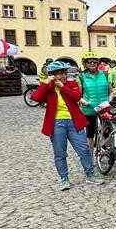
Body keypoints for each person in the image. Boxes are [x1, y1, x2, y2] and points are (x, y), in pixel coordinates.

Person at [30, 61, 105, 190]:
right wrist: (46, 83)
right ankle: (64, 178)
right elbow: (35, 98)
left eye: (64, 73)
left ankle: (90, 173)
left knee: (84, 149)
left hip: (74, 121)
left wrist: (62, 86)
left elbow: (76, 96)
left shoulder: (72, 84)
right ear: (53, 75)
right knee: (60, 153)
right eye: (59, 74)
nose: (63, 76)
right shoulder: (48, 87)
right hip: (57, 123)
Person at [76, 51, 111, 157]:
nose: (92, 64)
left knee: (107, 131)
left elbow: (111, 92)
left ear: (98, 63)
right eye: (89, 62)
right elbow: (78, 96)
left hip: (103, 108)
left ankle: (110, 154)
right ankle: (90, 156)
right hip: (89, 109)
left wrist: (108, 101)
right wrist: (87, 103)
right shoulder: (81, 77)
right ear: (85, 63)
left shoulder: (104, 75)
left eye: (94, 62)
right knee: (90, 133)